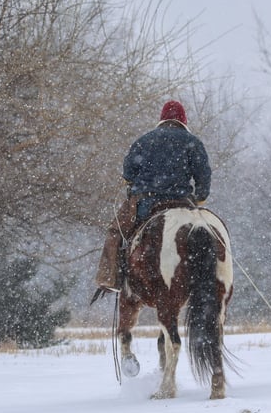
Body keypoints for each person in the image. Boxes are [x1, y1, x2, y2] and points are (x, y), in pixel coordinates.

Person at [91, 100, 212, 304]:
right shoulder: (193, 142)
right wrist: (199, 198)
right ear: (183, 120)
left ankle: (110, 278)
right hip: (181, 203)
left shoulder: (144, 140)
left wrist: (136, 184)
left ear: (162, 119)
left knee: (116, 232)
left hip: (146, 203)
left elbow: (128, 172)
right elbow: (203, 177)